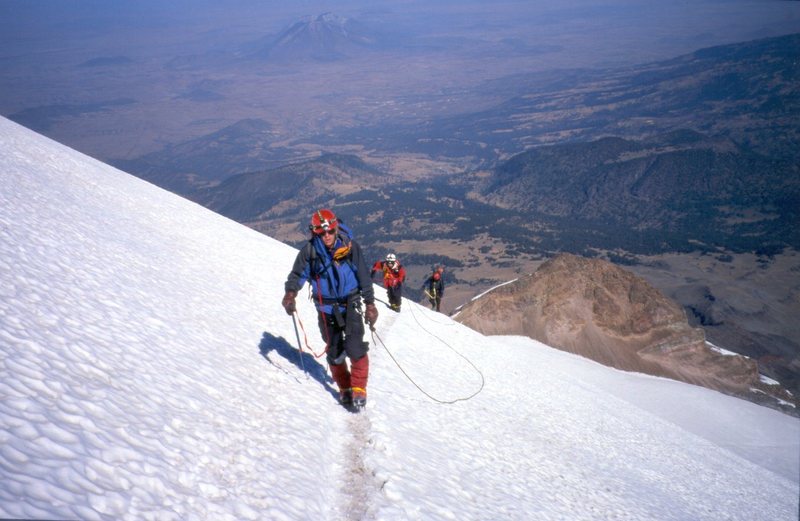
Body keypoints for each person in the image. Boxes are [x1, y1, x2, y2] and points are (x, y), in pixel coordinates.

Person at [282, 209, 378, 410]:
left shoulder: (350, 248)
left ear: (335, 229)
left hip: (350, 303)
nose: (326, 236)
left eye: (330, 231)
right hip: (325, 307)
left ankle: (358, 387)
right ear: (315, 232)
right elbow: (297, 275)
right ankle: (345, 388)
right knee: (334, 351)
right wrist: (290, 293)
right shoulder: (310, 252)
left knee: (354, 346)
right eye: (321, 233)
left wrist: (370, 304)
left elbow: (363, 276)